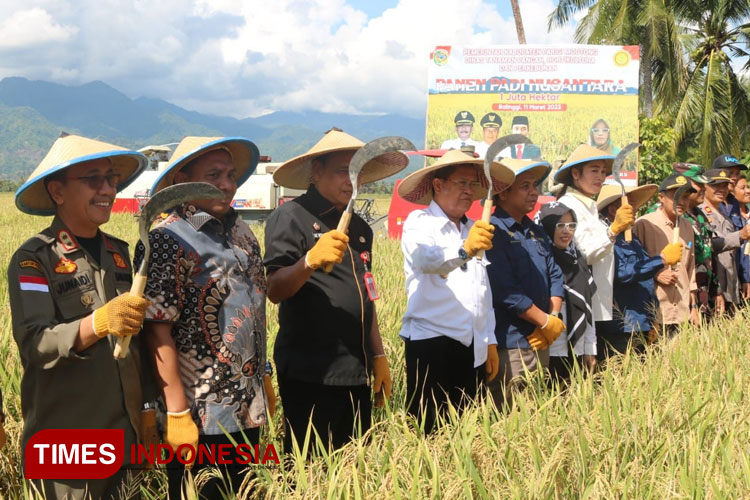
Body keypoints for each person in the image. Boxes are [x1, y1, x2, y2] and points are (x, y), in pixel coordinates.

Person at [9, 133, 152, 500]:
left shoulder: (120, 255)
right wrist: (98, 323)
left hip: (125, 439)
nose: (107, 189)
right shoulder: (35, 260)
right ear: (57, 191)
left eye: (111, 179)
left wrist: (152, 411)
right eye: (93, 180)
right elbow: (35, 344)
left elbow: (141, 347)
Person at [137, 136, 272, 499]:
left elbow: (255, 314)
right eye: (214, 176)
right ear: (183, 179)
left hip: (248, 406)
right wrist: (177, 412)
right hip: (200, 414)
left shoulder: (243, 233)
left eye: (230, 175)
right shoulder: (168, 239)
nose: (227, 185)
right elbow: (156, 331)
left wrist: (265, 381)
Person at [264, 128, 408, 451]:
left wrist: (379, 355)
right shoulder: (290, 217)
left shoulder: (358, 228)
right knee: (308, 471)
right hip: (310, 374)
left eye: (357, 172)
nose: (351, 181)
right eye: (343, 171)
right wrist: (310, 261)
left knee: (353, 467)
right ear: (317, 171)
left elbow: (364, 295)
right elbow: (273, 289)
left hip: (356, 373)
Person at [398, 150, 513, 431]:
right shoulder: (420, 223)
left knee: (466, 431)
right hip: (432, 344)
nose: (469, 191)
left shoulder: (473, 228)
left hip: (471, 347)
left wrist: (489, 340)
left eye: (473, 185)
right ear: (438, 185)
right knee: (430, 434)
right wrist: (464, 249)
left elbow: (481, 291)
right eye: (462, 183)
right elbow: (426, 260)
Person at [485, 159, 565, 406]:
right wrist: (543, 321)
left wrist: (552, 319)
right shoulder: (492, 231)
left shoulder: (535, 230)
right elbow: (504, 290)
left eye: (535, 186)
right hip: (512, 342)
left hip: (542, 337)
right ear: (503, 192)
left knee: (536, 413)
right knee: (512, 418)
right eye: (525, 186)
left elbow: (555, 274)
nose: (534, 193)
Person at [554, 144, 635, 364]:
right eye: (594, 170)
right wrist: (613, 230)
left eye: (603, 171)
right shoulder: (566, 207)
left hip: (596, 306)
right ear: (576, 173)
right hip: (575, 306)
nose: (600, 176)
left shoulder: (590, 209)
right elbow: (579, 255)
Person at [596, 183, 680, 356]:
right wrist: (661, 259)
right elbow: (624, 273)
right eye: (629, 206)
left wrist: (653, 317)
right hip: (623, 324)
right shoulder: (605, 239)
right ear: (613, 210)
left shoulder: (631, 237)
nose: (634, 210)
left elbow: (644, 277)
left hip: (642, 320)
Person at [535, 202, 595, 382]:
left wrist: (590, 349)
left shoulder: (577, 260)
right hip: (549, 348)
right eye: (559, 225)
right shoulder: (540, 260)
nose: (566, 231)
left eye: (571, 225)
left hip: (576, 348)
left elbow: (587, 306)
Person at [633, 174, 697, 336]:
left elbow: (690, 270)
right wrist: (655, 273)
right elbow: (632, 265)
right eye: (676, 197)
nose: (682, 202)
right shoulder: (644, 224)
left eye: (686, 197)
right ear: (661, 197)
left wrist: (694, 307)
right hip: (655, 311)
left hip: (682, 312)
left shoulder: (688, 227)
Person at [699, 168, 750, 316]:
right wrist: (739, 236)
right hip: (712, 288)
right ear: (704, 187)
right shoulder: (700, 213)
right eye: (715, 186)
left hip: (729, 288)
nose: (721, 190)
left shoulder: (725, 215)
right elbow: (707, 245)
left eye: (724, 186)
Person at [673, 164, 717, 319]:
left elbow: (708, 253)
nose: (704, 188)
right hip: (681, 299)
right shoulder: (669, 214)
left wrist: (716, 291)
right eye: (699, 184)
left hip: (704, 296)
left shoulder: (700, 215)